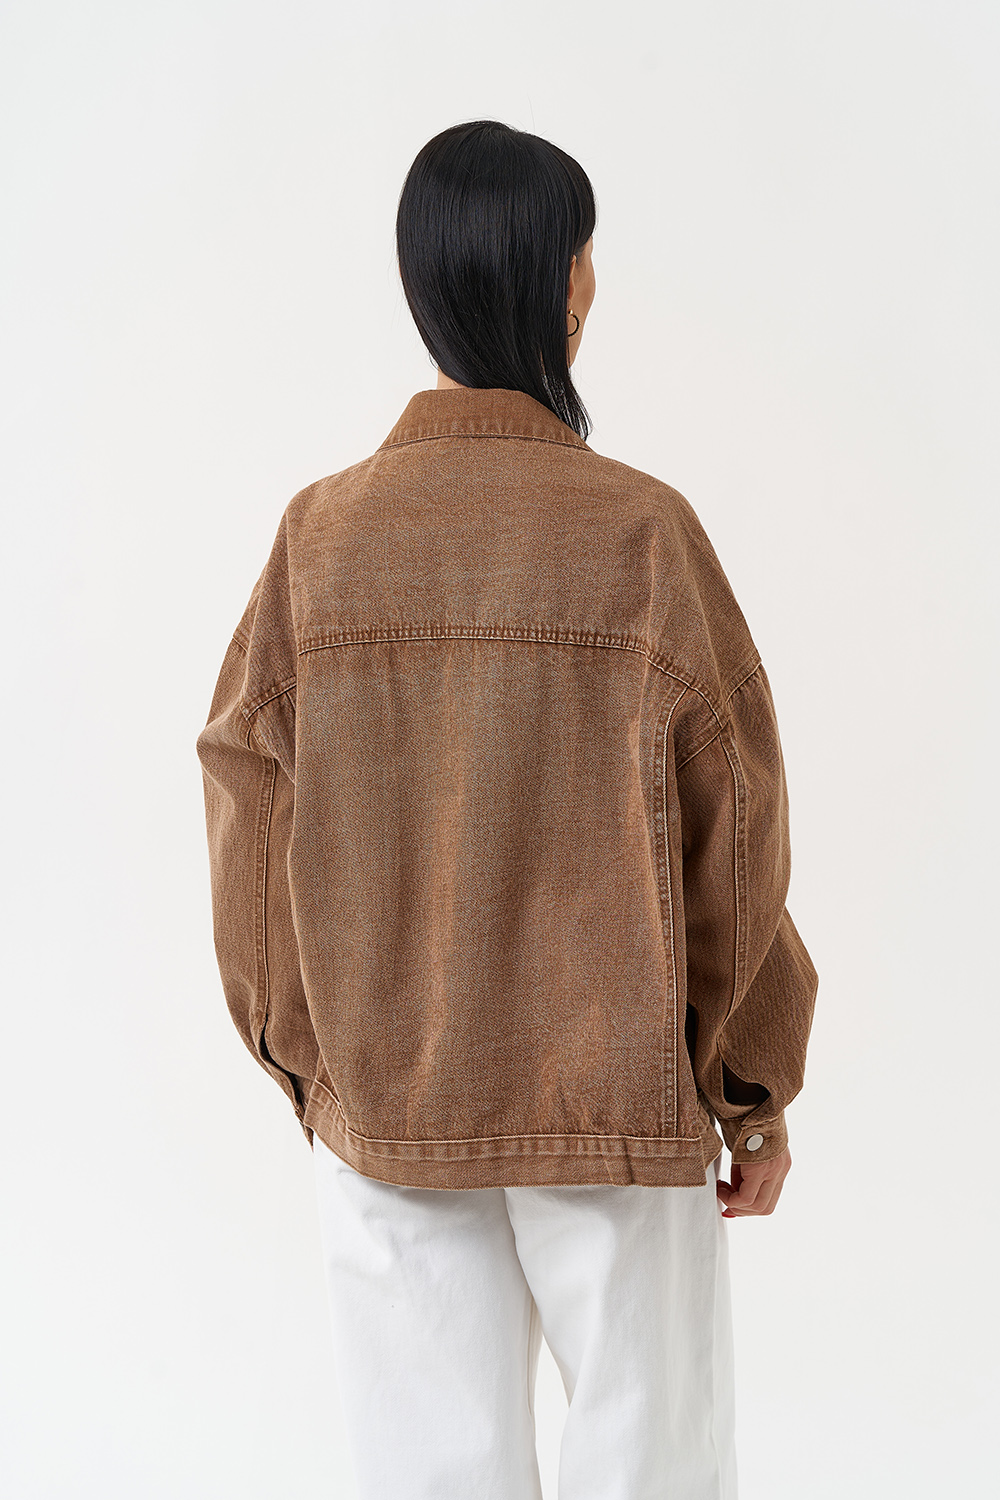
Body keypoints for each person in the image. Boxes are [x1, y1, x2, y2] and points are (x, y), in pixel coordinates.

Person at [196, 118, 819, 1500]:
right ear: (565, 281)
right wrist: (750, 1089)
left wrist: (309, 1063)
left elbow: (246, 807)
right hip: (614, 1100)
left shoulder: (319, 539)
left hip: (387, 1103)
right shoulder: (642, 536)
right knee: (655, 1476)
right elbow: (737, 833)